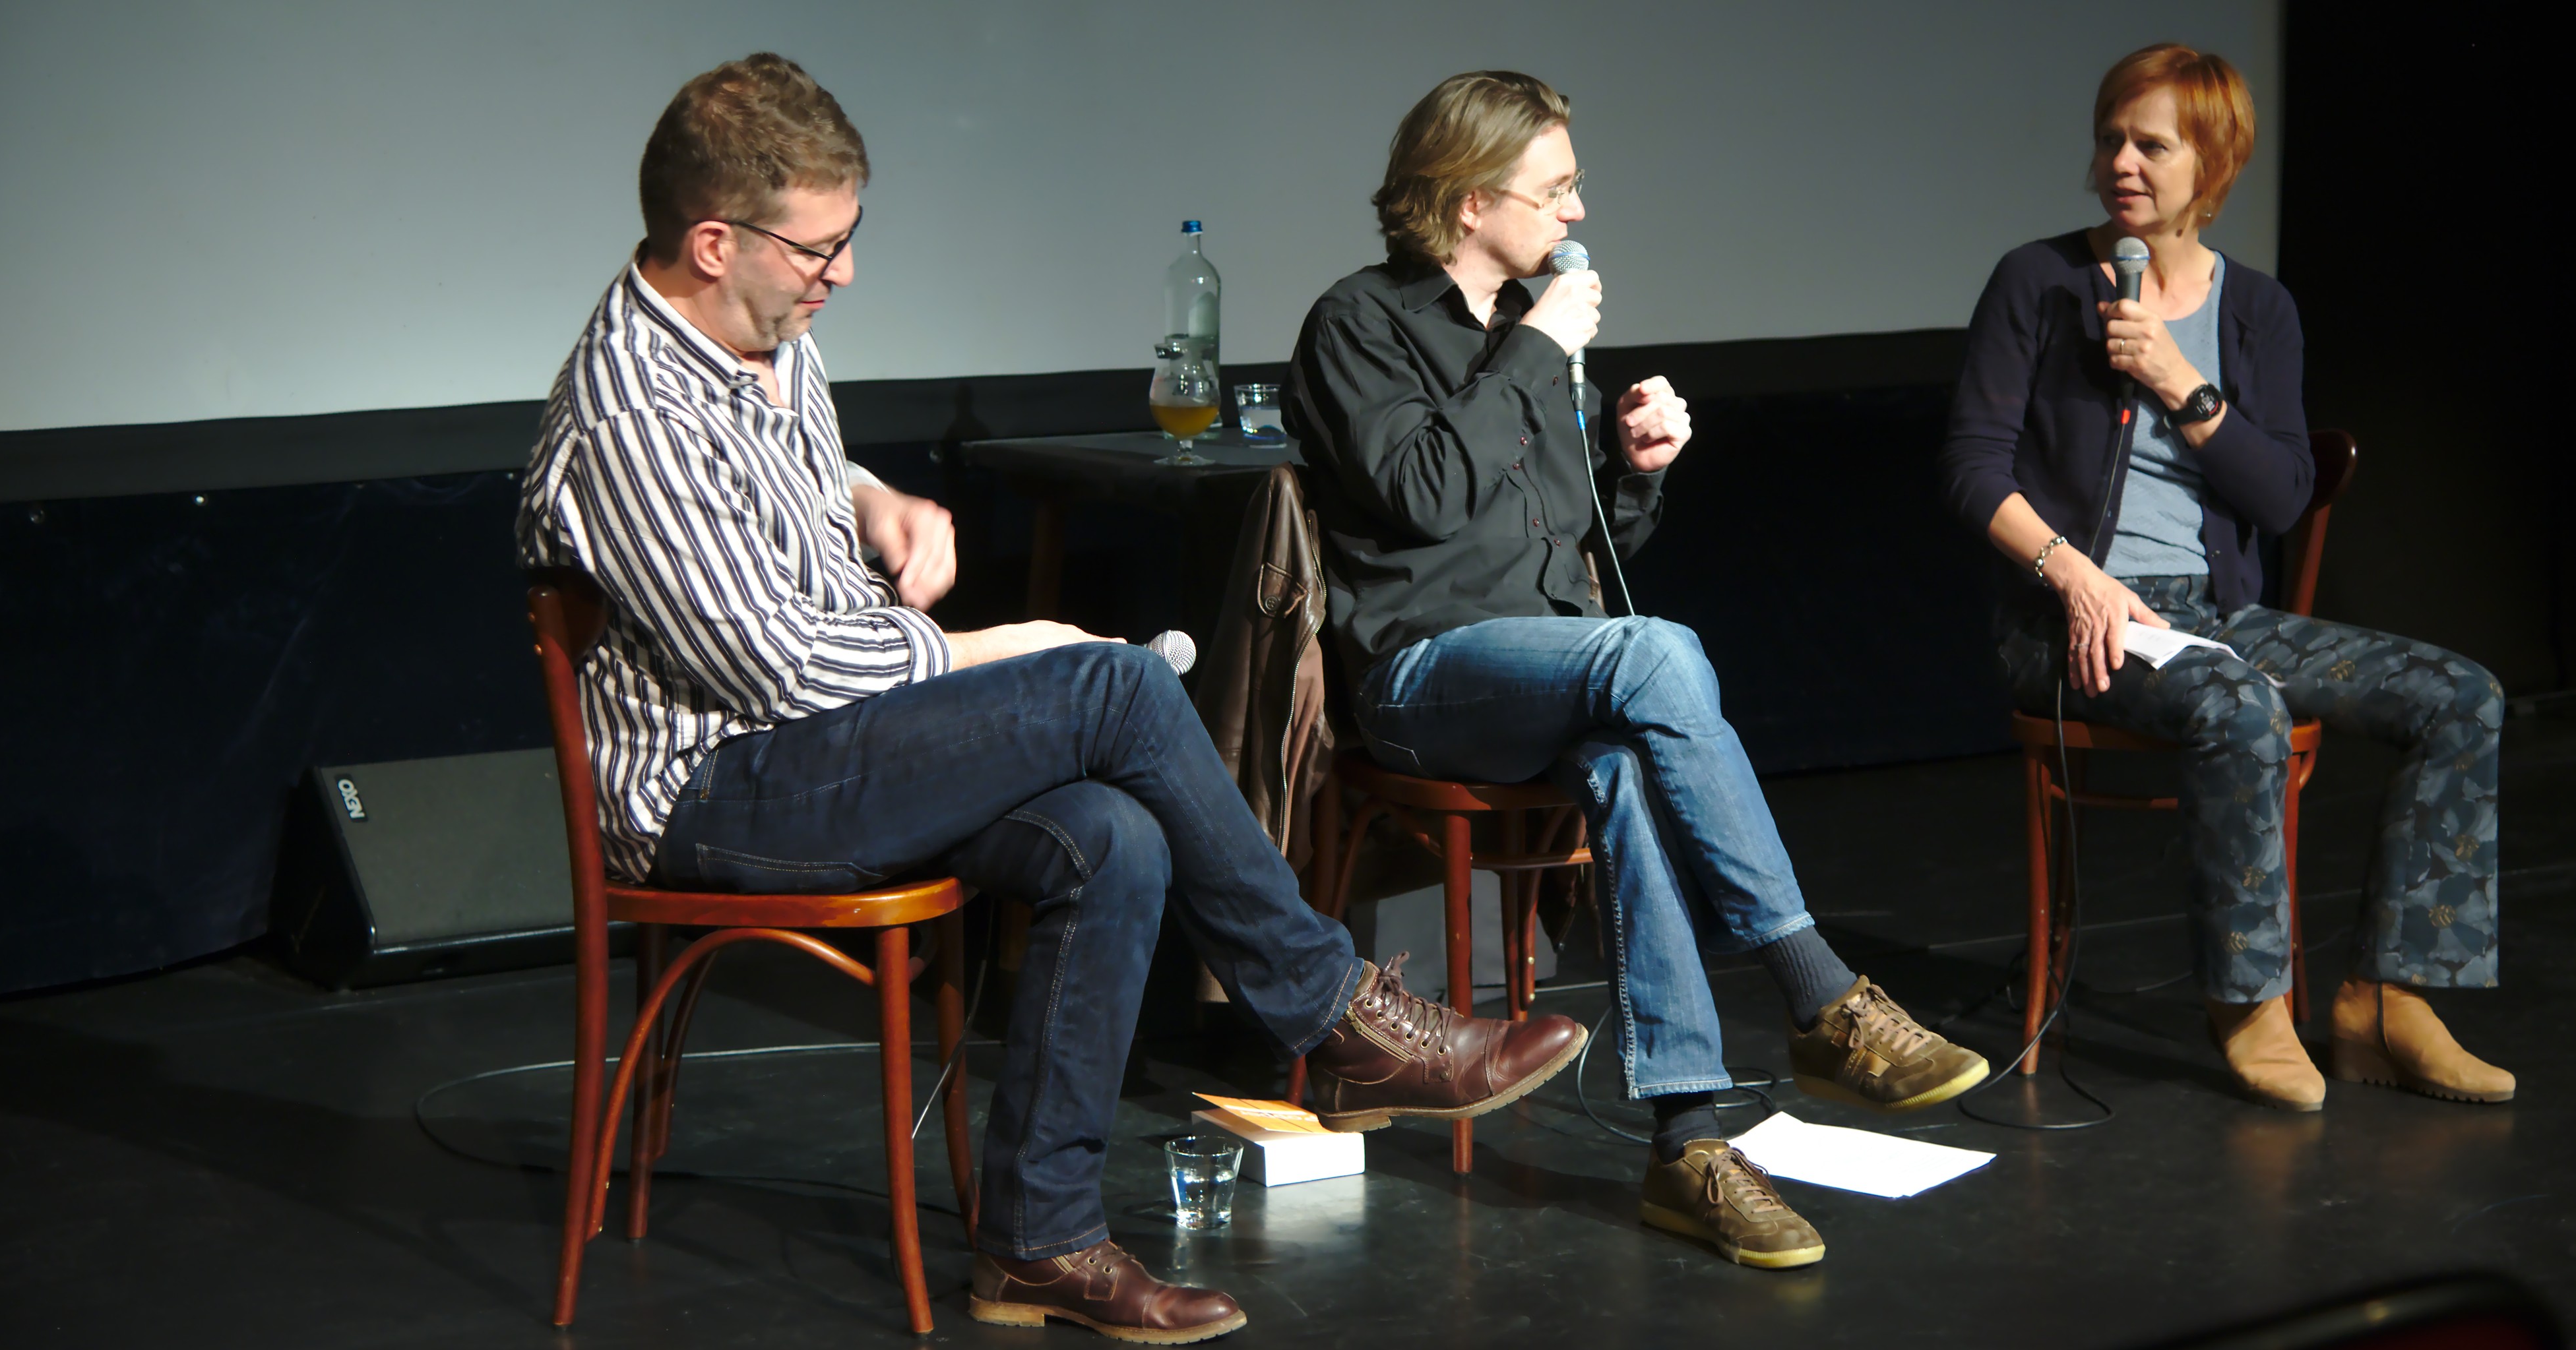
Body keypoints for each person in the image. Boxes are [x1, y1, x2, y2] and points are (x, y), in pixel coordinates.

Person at [515, 53, 1586, 1343]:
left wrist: (868, 498)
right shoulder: (624, 410)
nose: (840, 273)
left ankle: (1039, 1239)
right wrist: (1005, 644)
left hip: (829, 743)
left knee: (1114, 832)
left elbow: (770, 473)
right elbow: (781, 674)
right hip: (718, 787)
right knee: (1111, 682)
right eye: (821, 248)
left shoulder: (760, 331)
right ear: (710, 241)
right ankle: (1338, 1014)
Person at [1285, 71, 1989, 1272]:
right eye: (1553, 187)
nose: (1575, 209)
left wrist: (1637, 472)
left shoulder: (1535, 341)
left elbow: (1574, 559)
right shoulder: (1361, 324)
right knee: (1658, 650)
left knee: (1622, 761)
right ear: (1466, 200)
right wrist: (1538, 353)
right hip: (1421, 682)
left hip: (1552, 676)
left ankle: (1689, 1143)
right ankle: (1815, 987)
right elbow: (1424, 498)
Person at [1939, 44, 2514, 1113]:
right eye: (2112, 136)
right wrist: (2075, 577)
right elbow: (1971, 471)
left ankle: (2387, 1003)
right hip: (2068, 615)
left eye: (2151, 144)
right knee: (2238, 704)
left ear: (2214, 163)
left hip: (2215, 615)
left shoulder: (2258, 311)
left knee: (2462, 697)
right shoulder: (2039, 281)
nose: (2122, 161)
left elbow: (2285, 495)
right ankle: (2252, 1004)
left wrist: (2182, 382)